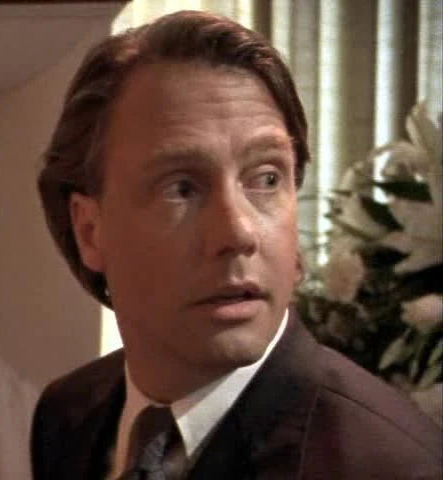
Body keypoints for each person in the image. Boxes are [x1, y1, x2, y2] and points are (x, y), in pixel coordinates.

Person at [31, 10, 442, 480]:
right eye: (181, 188)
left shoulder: (389, 466)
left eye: (266, 179)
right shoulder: (67, 415)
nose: (239, 234)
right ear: (89, 229)